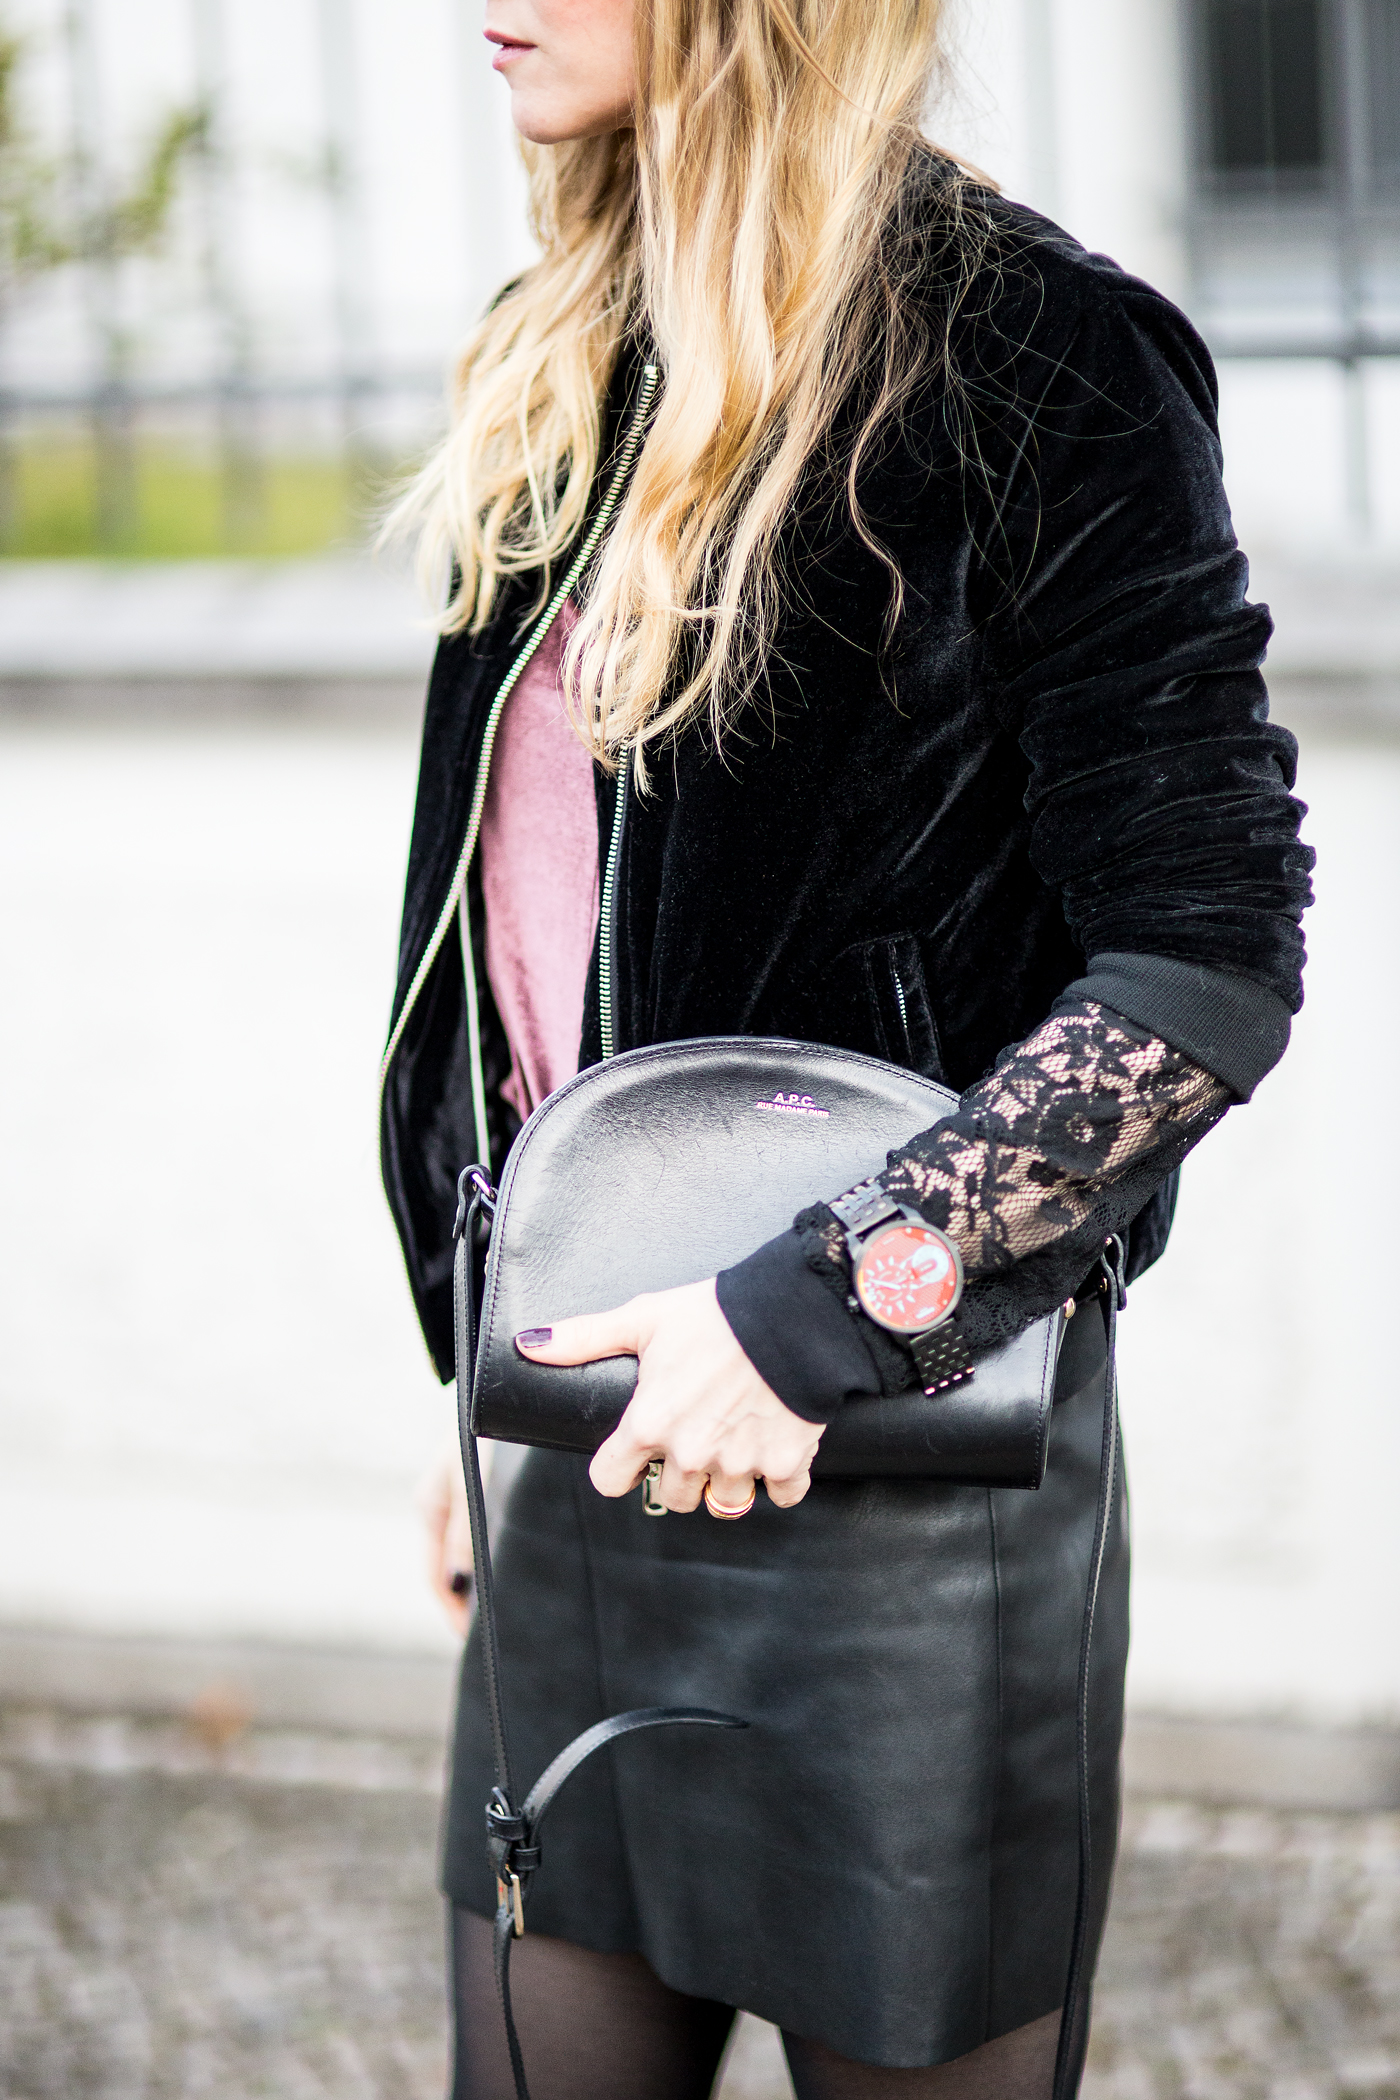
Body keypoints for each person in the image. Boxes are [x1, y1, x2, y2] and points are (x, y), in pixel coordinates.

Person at [390, 2, 1313, 2094]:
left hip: (898, 1471)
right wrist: (478, 1359)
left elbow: (1202, 957)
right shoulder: (567, 351)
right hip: (586, 1434)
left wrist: (816, 1313)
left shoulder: (1039, 357)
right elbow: (528, 945)